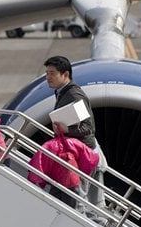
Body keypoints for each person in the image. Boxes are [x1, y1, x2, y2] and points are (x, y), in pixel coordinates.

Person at [43, 55, 108, 218]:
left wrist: (65, 130)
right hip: (78, 155)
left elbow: (88, 128)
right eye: (47, 73)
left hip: (84, 156)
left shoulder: (74, 95)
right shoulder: (63, 92)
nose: (48, 77)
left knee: (81, 203)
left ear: (65, 74)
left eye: (52, 73)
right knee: (80, 201)